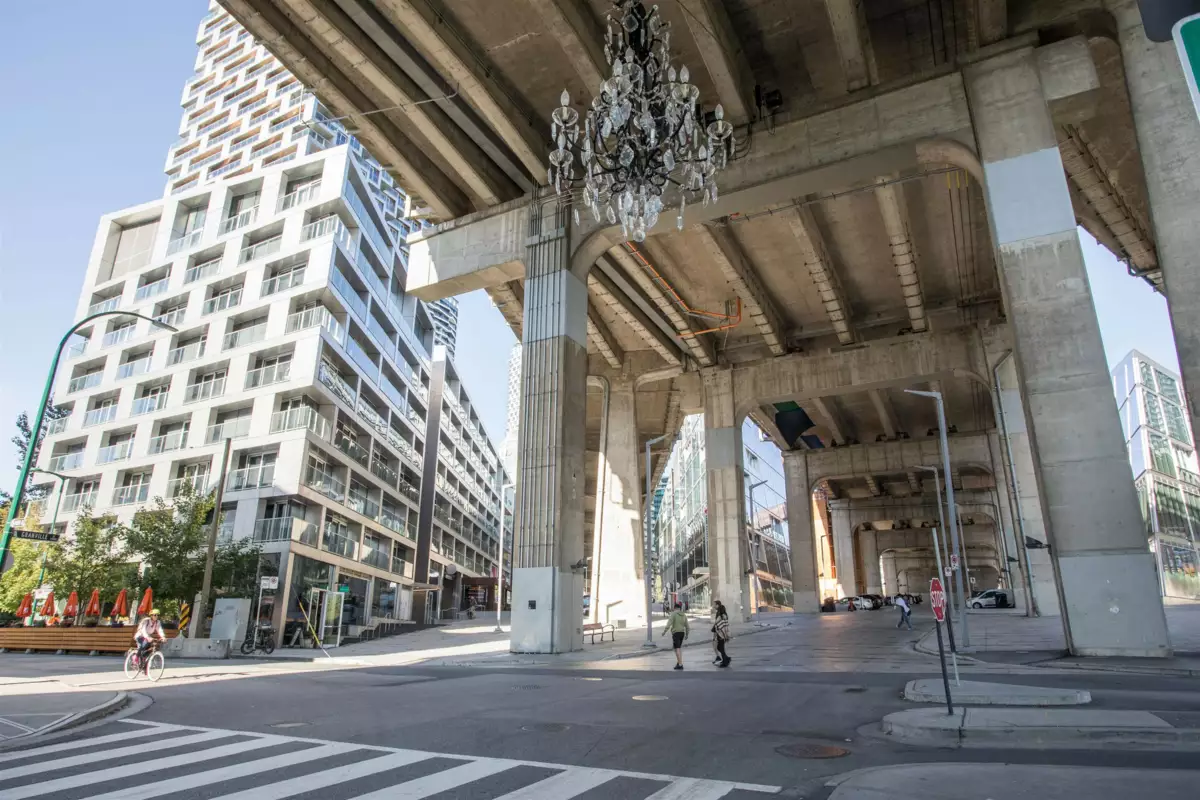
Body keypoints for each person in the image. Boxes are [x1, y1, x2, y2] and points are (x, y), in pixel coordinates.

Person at [661, 602, 689, 670]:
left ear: (674, 608)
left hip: (676, 633)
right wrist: (687, 634)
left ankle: (680, 664)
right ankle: (679, 662)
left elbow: (669, 623)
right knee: (678, 648)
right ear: (679, 608)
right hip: (682, 633)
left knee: (677, 648)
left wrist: (664, 632)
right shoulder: (684, 615)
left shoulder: (673, 614)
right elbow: (687, 626)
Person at [712, 601, 731, 667]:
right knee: (720, 647)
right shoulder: (724, 615)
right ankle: (726, 659)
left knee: (720, 647)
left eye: (714, 605)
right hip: (724, 633)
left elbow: (717, 625)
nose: (713, 606)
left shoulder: (720, 616)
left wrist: (715, 634)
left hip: (721, 634)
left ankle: (725, 661)